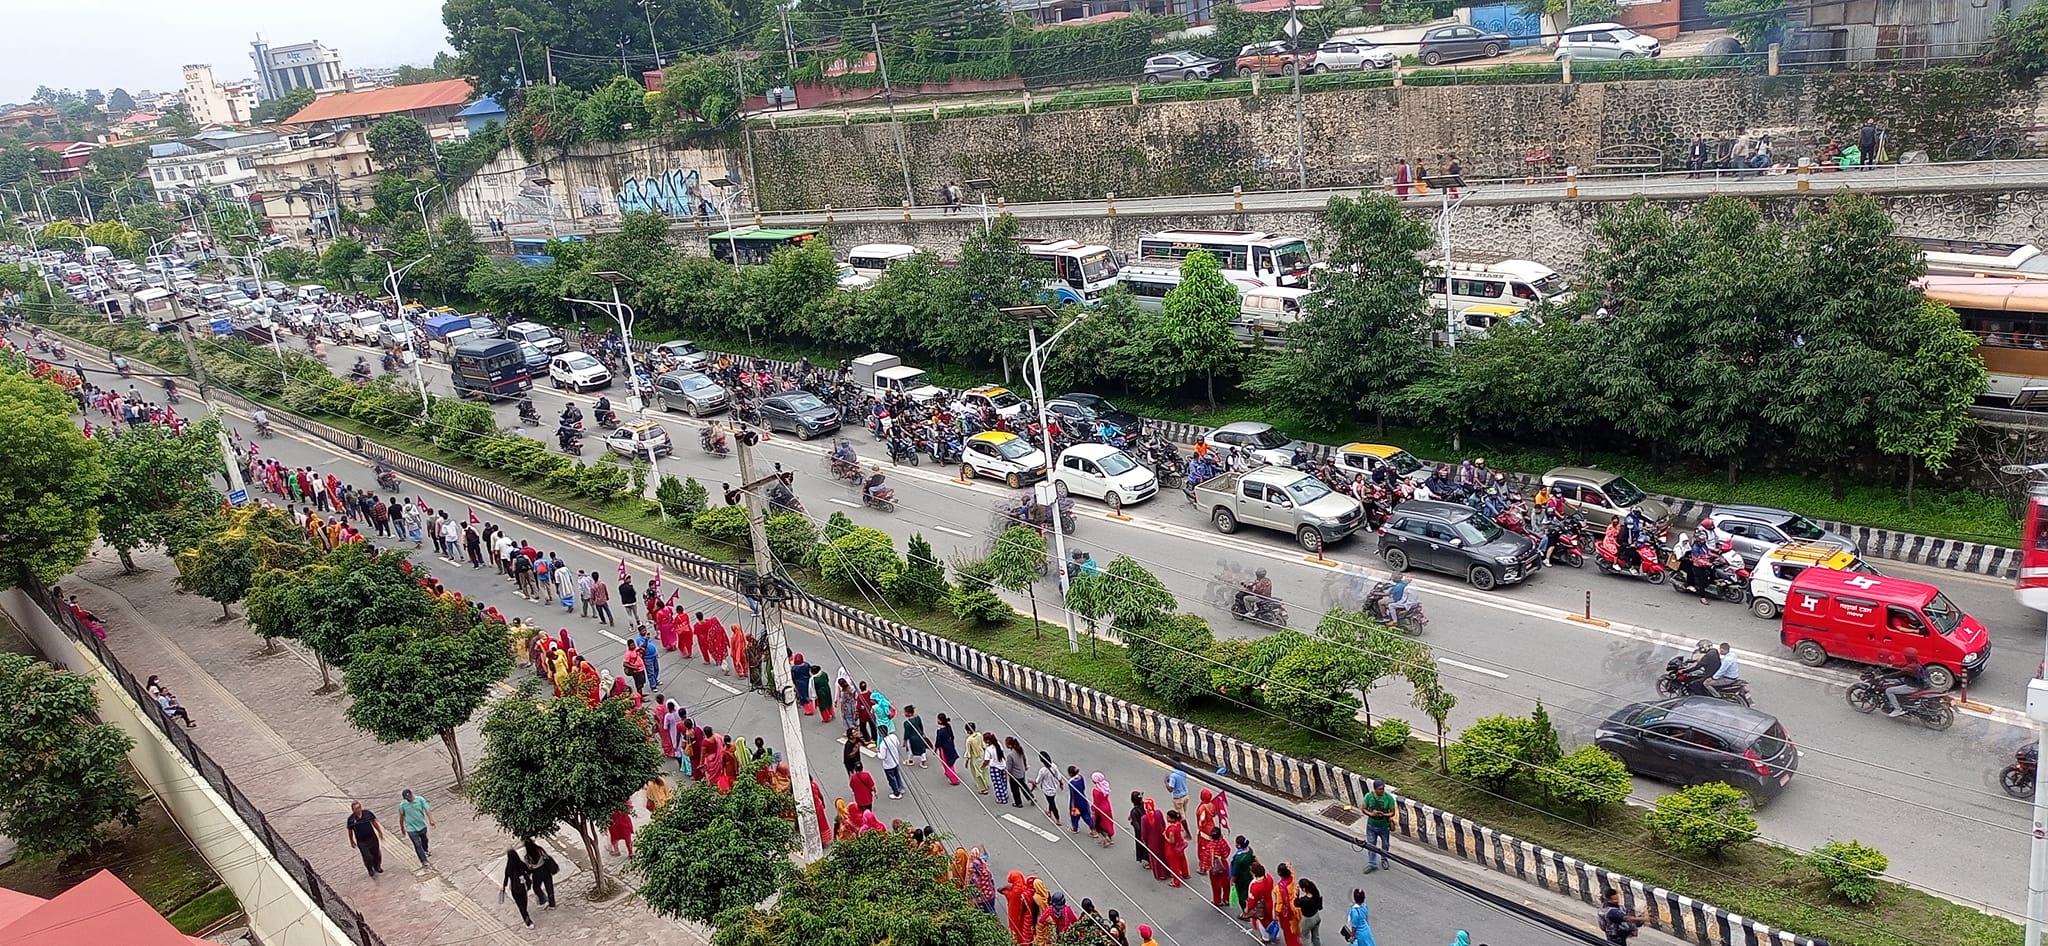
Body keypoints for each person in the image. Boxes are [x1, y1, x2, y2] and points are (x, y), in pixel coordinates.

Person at [1361, 779, 1395, 873]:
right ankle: (1372, 863)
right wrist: (1371, 814)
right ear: (1375, 789)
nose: (1382, 790)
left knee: (1385, 844)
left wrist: (1383, 814)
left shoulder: (1389, 798)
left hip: (1384, 826)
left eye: (1383, 788)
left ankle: (1384, 859)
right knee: (1371, 845)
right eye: (1380, 789)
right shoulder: (1369, 796)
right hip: (1371, 825)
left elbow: (1392, 813)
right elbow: (1364, 809)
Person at [499, 842, 536, 928]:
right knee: (524, 903)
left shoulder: (509, 867)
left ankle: (527, 921)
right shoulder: (521, 864)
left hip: (515, 889)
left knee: (520, 906)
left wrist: (503, 887)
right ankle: (526, 916)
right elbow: (529, 871)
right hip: (523, 887)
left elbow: (506, 878)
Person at [1885, 648, 1929, 717]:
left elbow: (1898, 674)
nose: (1903, 657)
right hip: (1917, 683)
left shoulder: (1911, 667)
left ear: (1908, 657)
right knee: (1896, 682)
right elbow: (1903, 664)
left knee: (1889, 690)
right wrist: (1892, 665)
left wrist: (1883, 676)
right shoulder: (1915, 663)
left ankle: (1897, 709)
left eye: (1905, 656)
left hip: (1912, 686)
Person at [345, 801, 385, 877]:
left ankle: (377, 866)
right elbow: (350, 831)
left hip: (372, 838)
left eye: (359, 807)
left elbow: (374, 822)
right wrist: (351, 841)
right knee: (367, 856)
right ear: (353, 810)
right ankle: (370, 869)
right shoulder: (351, 819)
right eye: (356, 808)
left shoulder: (367, 813)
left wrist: (379, 831)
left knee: (376, 853)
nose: (358, 809)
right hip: (362, 841)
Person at [397, 788, 434, 869]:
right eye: (407, 798)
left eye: (409, 797)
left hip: (422, 825)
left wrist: (431, 820)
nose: (409, 799)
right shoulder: (403, 805)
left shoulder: (420, 800)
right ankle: (423, 860)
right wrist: (402, 828)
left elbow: (427, 810)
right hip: (411, 828)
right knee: (417, 844)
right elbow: (401, 817)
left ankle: (425, 850)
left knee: (425, 839)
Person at [879, 729, 906, 799]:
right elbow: (898, 744)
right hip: (895, 760)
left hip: (888, 765)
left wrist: (878, 753)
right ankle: (901, 787)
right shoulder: (893, 736)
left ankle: (896, 793)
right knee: (897, 775)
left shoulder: (883, 744)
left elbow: (882, 756)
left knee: (891, 779)